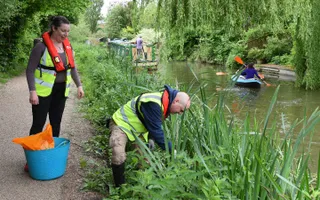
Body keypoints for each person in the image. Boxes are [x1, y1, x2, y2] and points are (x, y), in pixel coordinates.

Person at [25, 16, 84, 171]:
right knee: (38, 123)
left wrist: (79, 85)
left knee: (56, 123)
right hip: (42, 92)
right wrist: (32, 91)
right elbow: (30, 70)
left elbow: (73, 68)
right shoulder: (41, 47)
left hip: (60, 91)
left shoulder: (67, 46)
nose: (66, 34)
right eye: (63, 31)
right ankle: (31, 158)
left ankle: (51, 154)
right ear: (54, 28)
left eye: (68, 31)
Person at [108, 85, 191, 187]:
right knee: (118, 153)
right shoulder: (154, 104)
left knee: (145, 161)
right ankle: (120, 188)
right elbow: (157, 131)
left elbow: (153, 124)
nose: (180, 113)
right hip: (122, 123)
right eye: (181, 110)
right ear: (176, 101)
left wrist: (151, 139)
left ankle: (143, 186)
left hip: (138, 131)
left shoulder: (165, 103)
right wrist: (172, 150)